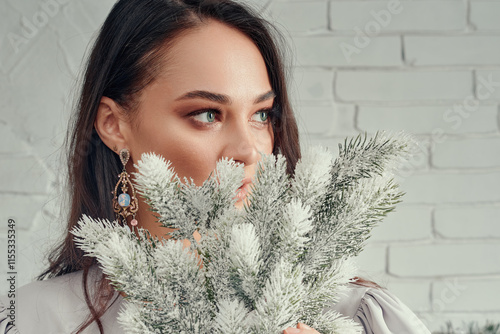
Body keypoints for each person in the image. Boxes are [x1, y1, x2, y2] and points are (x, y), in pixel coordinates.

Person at [0, 0, 431, 333]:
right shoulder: (36, 318)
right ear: (114, 126)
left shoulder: (351, 316)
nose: (251, 150)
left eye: (262, 115)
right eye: (207, 113)